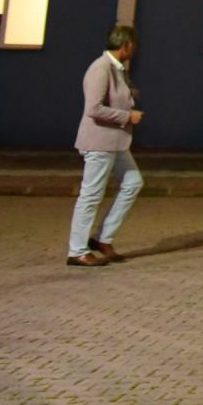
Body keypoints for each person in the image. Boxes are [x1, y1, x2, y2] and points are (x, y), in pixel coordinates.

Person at [67, 24, 145, 268]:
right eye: (134, 44)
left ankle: (102, 238)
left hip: (116, 142)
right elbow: (94, 108)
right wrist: (127, 116)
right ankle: (77, 250)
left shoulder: (116, 68)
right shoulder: (100, 68)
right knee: (91, 194)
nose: (135, 49)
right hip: (100, 141)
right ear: (126, 45)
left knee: (133, 183)